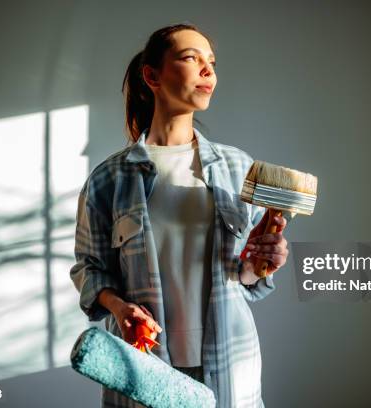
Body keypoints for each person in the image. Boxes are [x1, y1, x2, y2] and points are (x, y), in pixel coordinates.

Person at [70, 23, 289, 408]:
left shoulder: (239, 168)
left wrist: (261, 263)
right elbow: (89, 269)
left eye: (212, 63)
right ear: (152, 76)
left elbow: (245, 276)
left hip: (229, 361)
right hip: (143, 366)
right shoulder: (108, 179)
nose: (208, 71)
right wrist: (121, 310)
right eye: (192, 58)